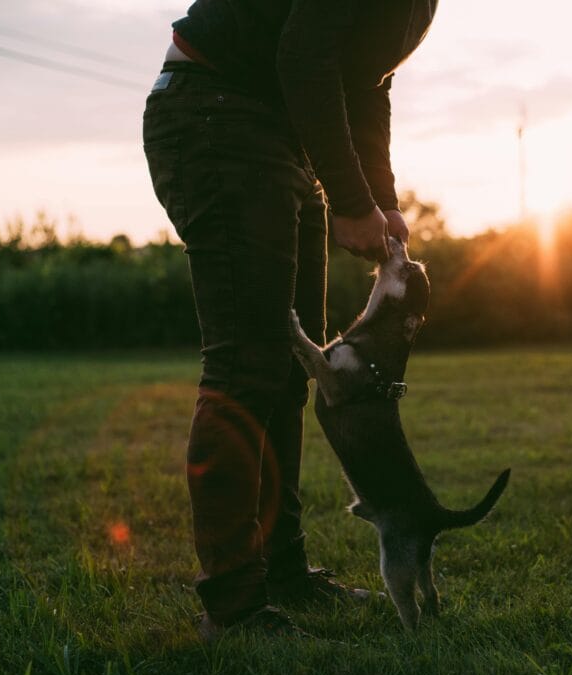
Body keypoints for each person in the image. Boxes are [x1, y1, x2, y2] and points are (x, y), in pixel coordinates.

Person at [142, 0, 437, 640]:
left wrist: (379, 200)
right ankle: (233, 607)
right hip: (215, 113)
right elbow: (303, 54)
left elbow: (367, 83)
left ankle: (282, 572)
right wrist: (352, 201)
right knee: (246, 364)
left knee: (285, 371)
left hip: (281, 133)